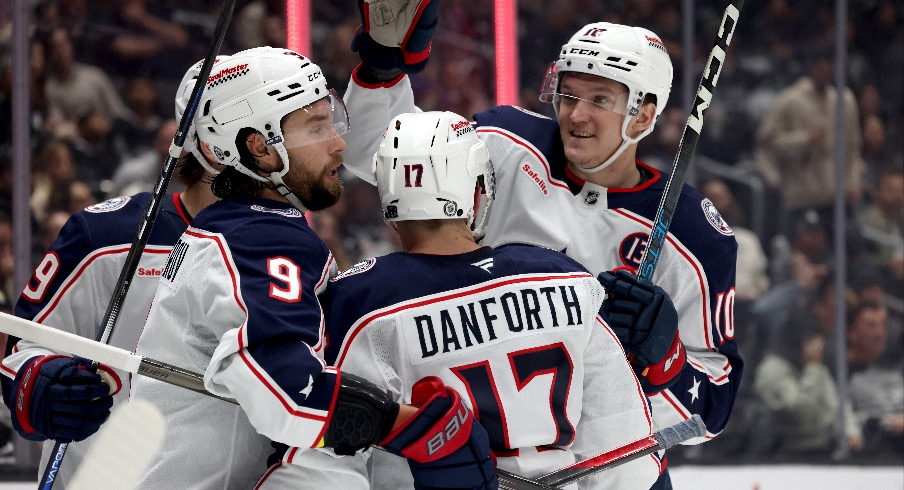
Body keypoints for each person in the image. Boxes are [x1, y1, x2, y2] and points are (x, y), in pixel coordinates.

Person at [341, 12, 742, 488]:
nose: (576, 114)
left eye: (600, 100)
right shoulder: (502, 143)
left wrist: (667, 361)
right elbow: (382, 155)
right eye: (569, 93)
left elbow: (711, 411)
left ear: (645, 115)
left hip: (595, 464)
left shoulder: (695, 236)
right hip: (459, 450)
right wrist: (381, 72)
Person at [130, 47, 495, 490]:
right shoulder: (260, 238)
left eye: (332, 120)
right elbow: (286, 393)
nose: (339, 142)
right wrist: (416, 430)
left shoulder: (238, 228)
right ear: (259, 148)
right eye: (316, 127)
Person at [258, 111, 662, 489]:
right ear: (477, 191)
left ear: (389, 199)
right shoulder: (565, 276)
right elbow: (626, 451)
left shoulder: (358, 301)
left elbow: (326, 457)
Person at [0, 54, 229, 488]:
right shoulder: (105, 235)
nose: (335, 143)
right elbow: (19, 349)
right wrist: (42, 383)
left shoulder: (298, 252)